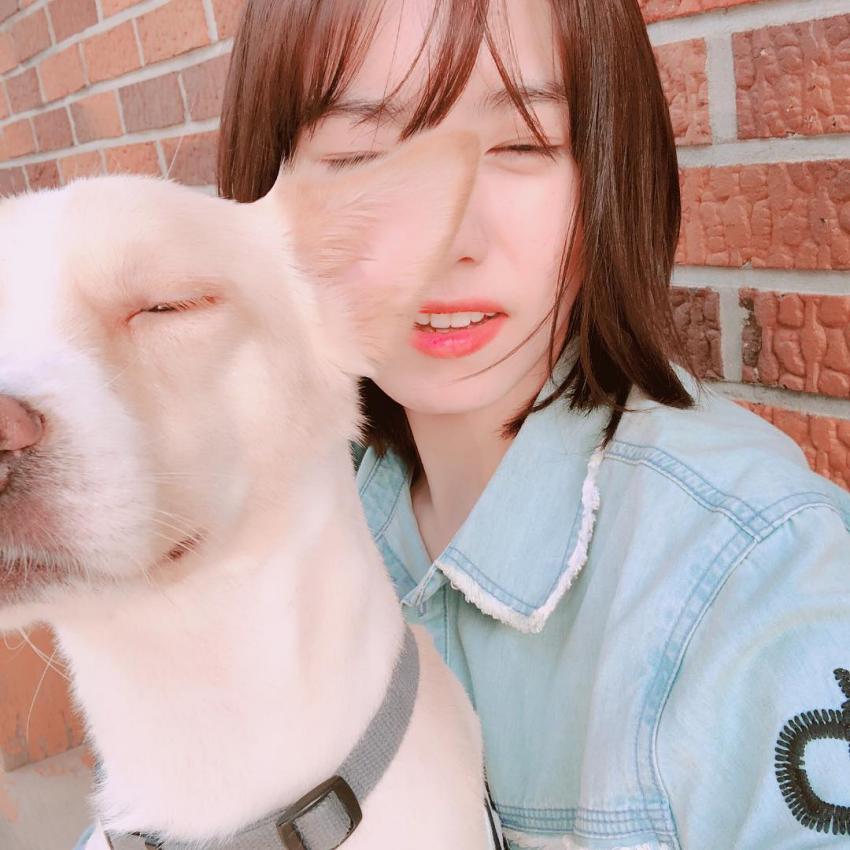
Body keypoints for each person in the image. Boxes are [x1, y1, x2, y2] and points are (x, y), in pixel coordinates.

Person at [74, 1, 849, 848]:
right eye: (358, 157)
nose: (447, 240)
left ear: (606, 168)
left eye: (520, 146)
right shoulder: (265, 503)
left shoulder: (753, 575)